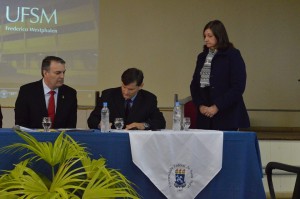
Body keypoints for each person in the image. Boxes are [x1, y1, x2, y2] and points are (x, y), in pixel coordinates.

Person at [190, 20, 250, 131]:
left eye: (209, 36)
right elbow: (195, 85)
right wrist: (200, 105)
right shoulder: (202, 57)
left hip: (227, 115)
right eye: (204, 36)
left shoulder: (232, 55)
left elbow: (238, 86)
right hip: (205, 117)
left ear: (219, 36)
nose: (205, 39)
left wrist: (217, 106)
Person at [88, 68, 166, 130]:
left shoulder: (149, 98)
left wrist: (143, 125)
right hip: (112, 139)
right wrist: (99, 124)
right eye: (124, 87)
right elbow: (92, 120)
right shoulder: (108, 95)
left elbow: (160, 122)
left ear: (141, 86)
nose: (125, 92)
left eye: (131, 89)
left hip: (137, 142)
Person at [15, 56, 77, 129]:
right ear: (45, 73)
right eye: (58, 73)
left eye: (63, 72)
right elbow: (21, 125)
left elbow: (71, 127)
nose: (62, 76)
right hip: (32, 139)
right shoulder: (27, 91)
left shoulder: (70, 94)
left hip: (60, 139)